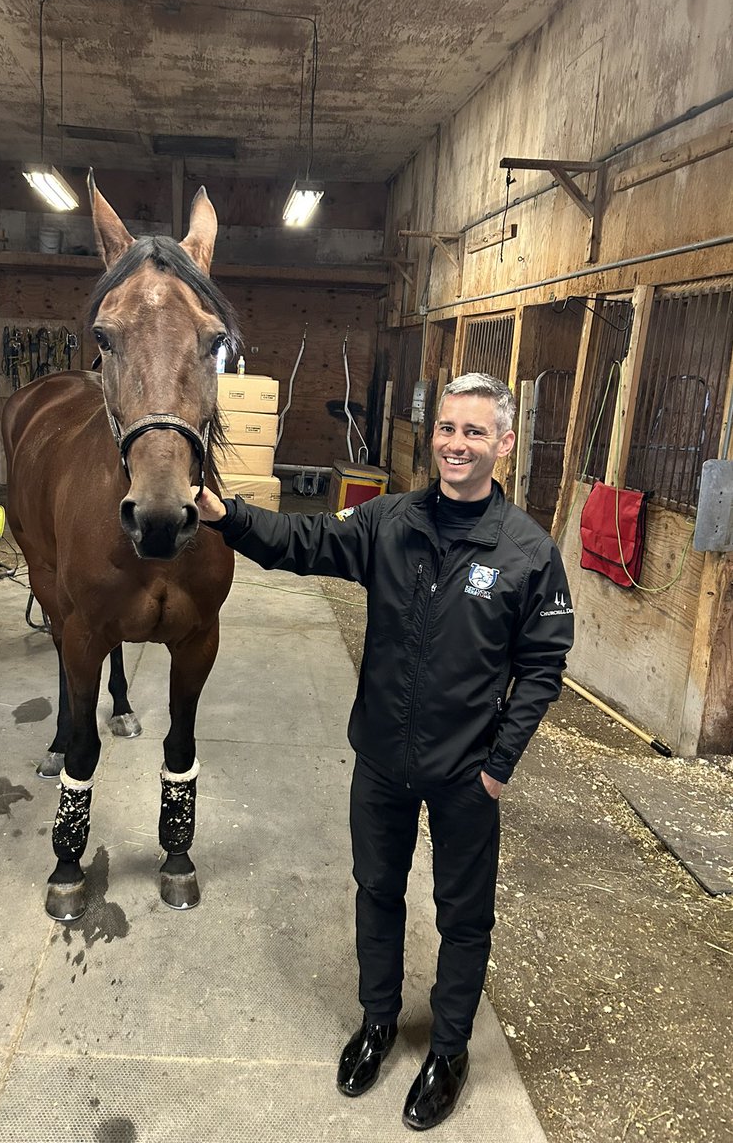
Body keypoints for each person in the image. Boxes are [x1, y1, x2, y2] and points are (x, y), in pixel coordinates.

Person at [193, 372, 574, 1131]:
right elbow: (302, 543)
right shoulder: (388, 522)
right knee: (378, 890)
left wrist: (498, 767)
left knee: (464, 917)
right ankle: (377, 1023)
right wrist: (226, 515)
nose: (456, 444)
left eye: (474, 432)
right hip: (382, 759)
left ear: (502, 443)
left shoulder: (529, 551)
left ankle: (452, 1048)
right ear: (432, 437)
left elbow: (542, 666)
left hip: (468, 773)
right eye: (447, 430)